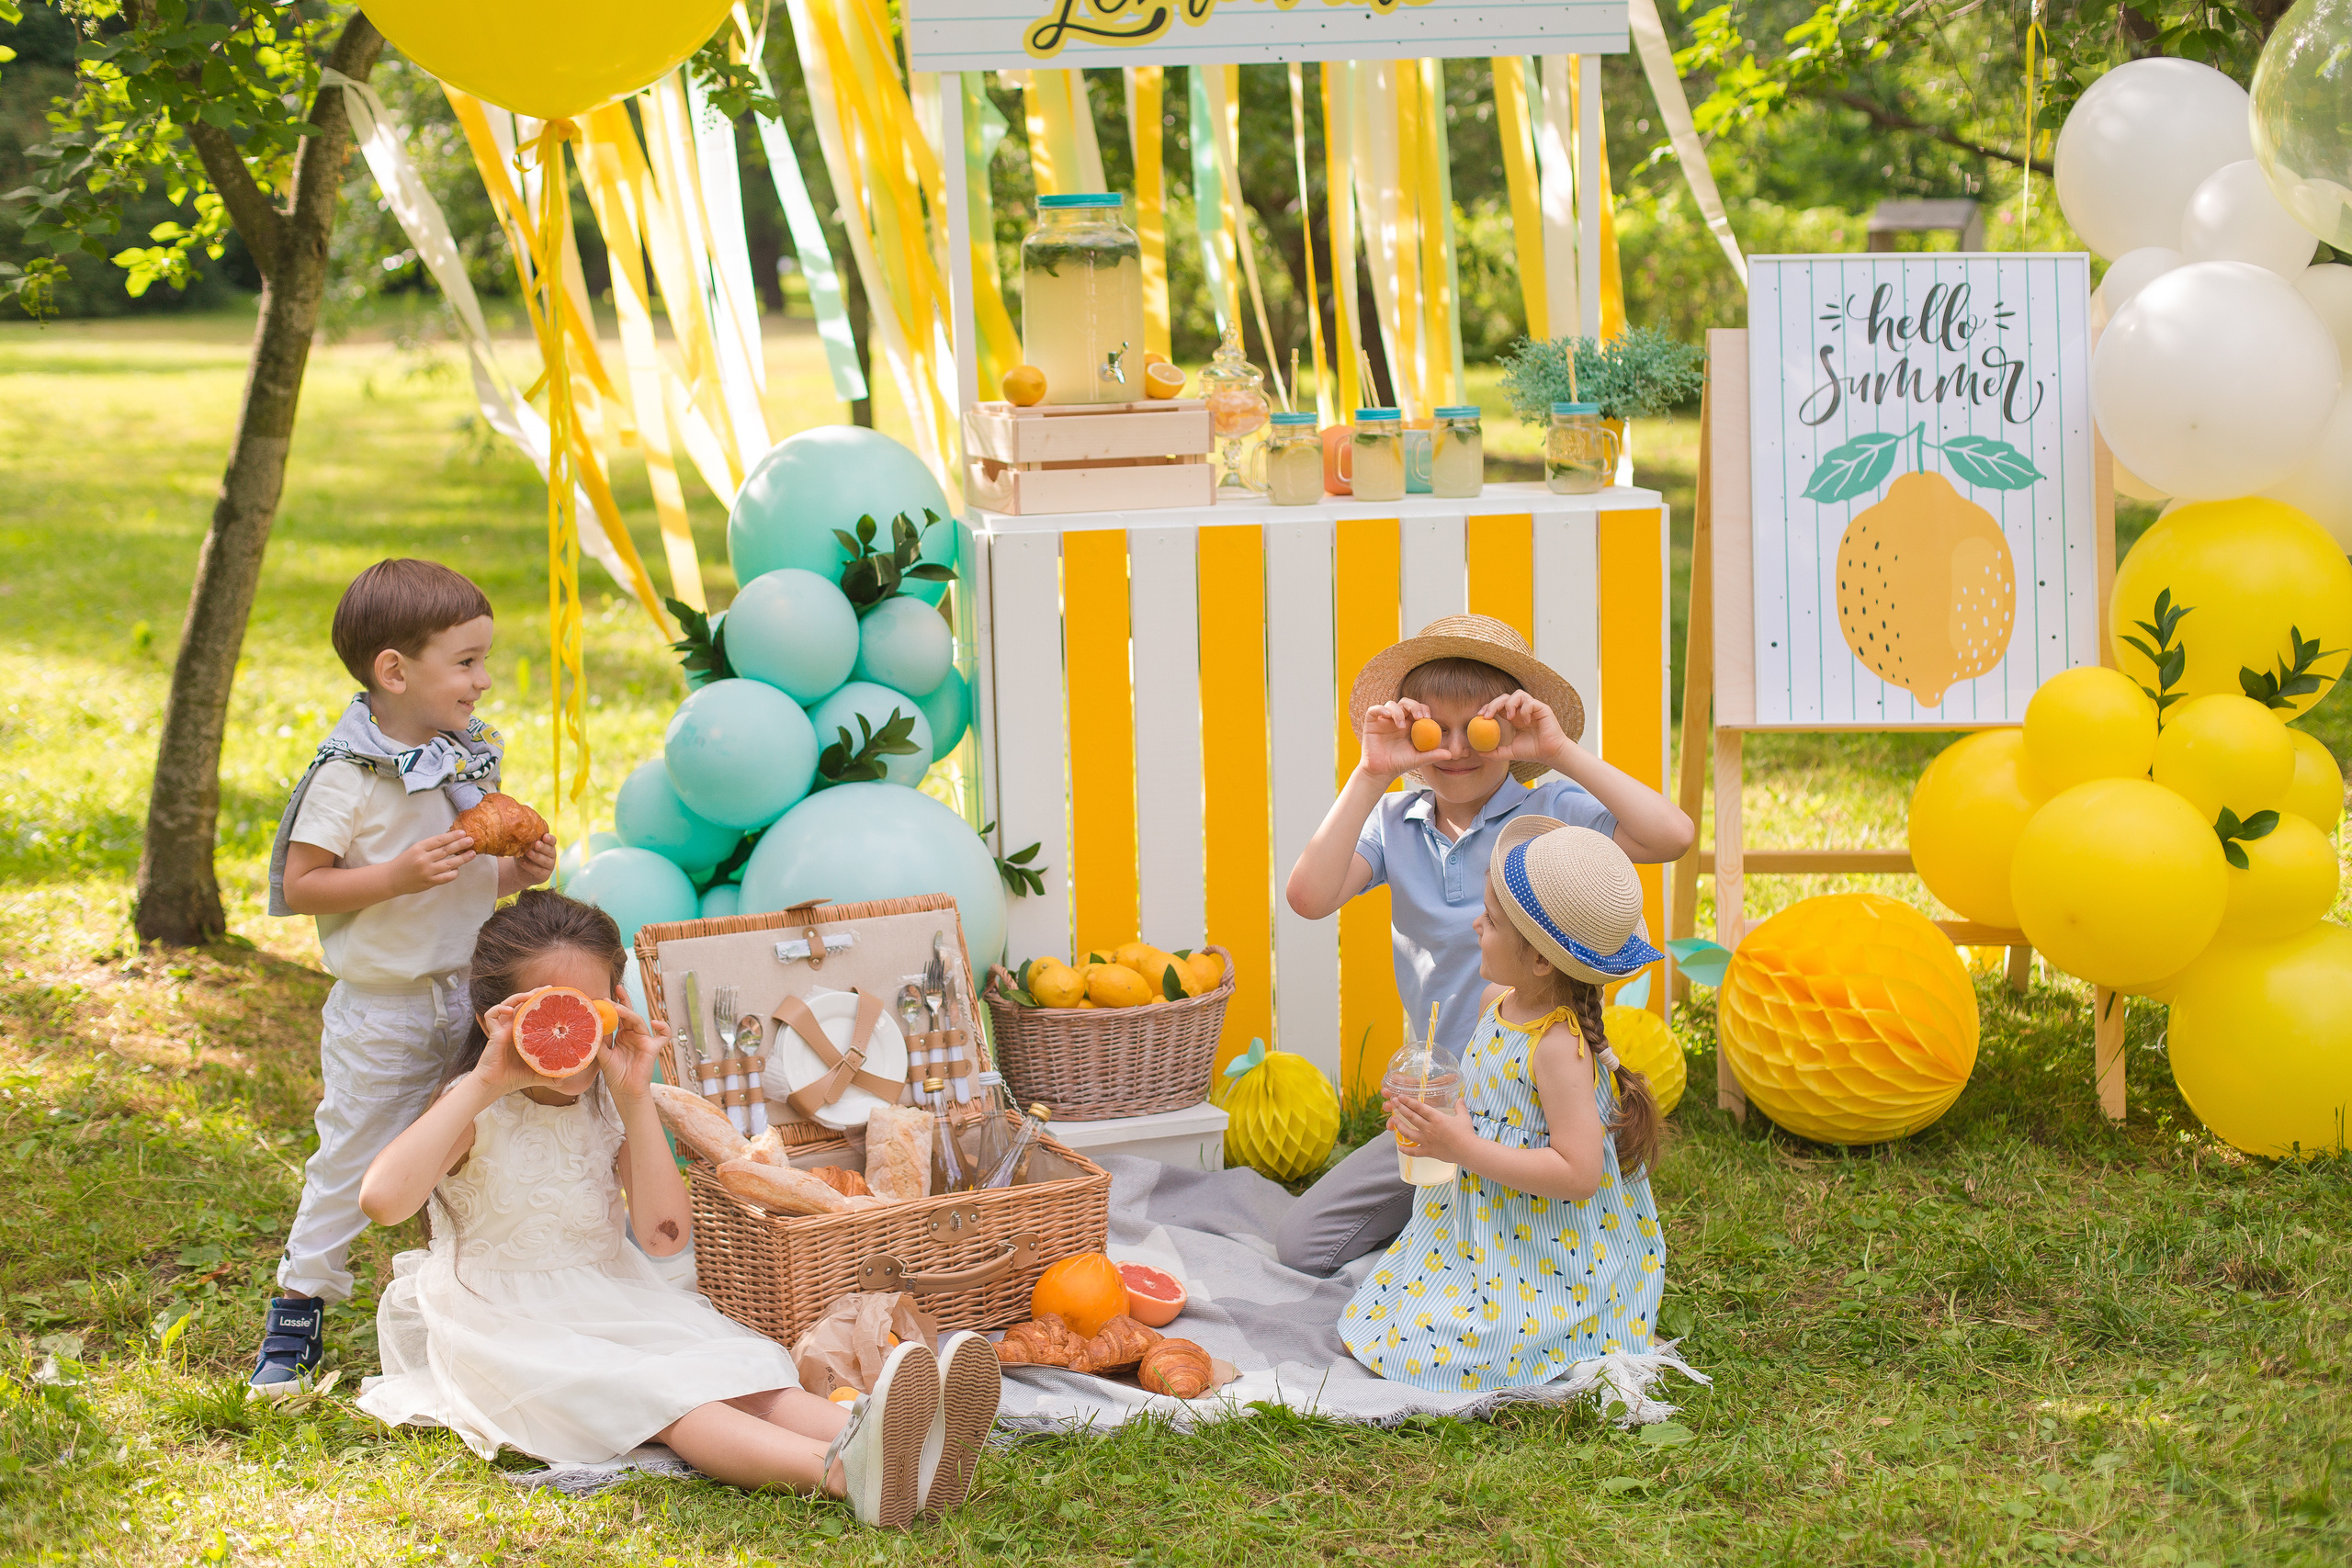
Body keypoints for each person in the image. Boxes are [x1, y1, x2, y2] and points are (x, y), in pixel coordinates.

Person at [354, 891, 1002, 1528]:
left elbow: (663, 1239)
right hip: (505, 1320)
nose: (570, 1033)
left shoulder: (610, 1101)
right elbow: (382, 1202)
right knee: (669, 1400)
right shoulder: (473, 1104)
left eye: (593, 1010)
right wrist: (485, 1082)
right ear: (499, 1015)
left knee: (739, 1372)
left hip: (611, 1297)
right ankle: (841, 1469)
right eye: (555, 1013)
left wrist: (636, 1098)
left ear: (619, 1006)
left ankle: (906, 1439)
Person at [1278, 615, 1693, 1276]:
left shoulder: (1548, 812)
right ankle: (1449, 1225)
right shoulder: (1394, 822)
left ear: (1510, 731)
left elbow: (1671, 836)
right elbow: (1309, 895)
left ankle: (1467, 1230)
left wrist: (1558, 750)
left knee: (1505, 1253)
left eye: (1476, 726)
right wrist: (1369, 772)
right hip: (1445, 1102)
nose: (1452, 748)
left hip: (1536, 1098)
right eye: (1430, 729)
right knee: (1301, 1244)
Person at [255, 559, 558, 1390]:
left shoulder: (463, 763)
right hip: (382, 1010)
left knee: (470, 1146)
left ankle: (468, 1303)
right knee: (352, 1155)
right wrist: (392, 874)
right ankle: (299, 1308)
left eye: (483, 659)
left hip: (467, 995)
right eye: (465, 662)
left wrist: (518, 873)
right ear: (395, 669)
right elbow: (301, 884)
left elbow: (464, 885)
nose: (484, 679)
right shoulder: (344, 777)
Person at [1339, 820, 1702, 1413]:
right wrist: (1436, 1118)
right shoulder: (1494, 1003)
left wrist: (1461, 1149)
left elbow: (1579, 1173)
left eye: (1492, 920)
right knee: (1393, 1320)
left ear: (1538, 960)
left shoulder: (1559, 1048)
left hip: (1546, 1246)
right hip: (1481, 1226)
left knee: (1441, 1352)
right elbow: (1487, 1103)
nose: (1476, 925)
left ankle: (1563, 1327)